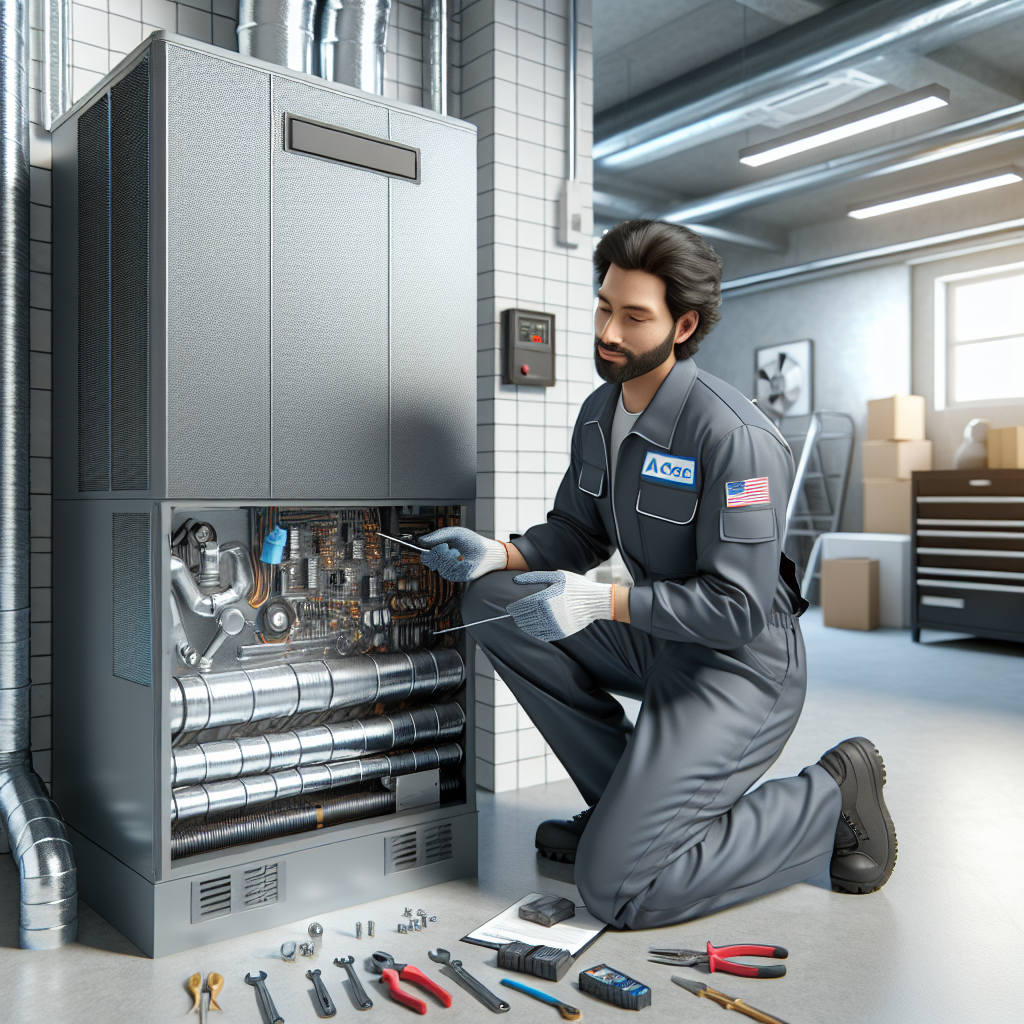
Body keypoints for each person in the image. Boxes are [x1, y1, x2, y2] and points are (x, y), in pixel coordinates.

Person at [418, 219, 896, 929]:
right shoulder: (598, 413)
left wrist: (602, 602)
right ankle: (625, 815)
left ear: (684, 326)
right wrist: (500, 554)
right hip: (657, 639)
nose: (608, 331)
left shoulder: (733, 437)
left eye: (634, 316)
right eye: (604, 306)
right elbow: (577, 531)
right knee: (489, 601)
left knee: (620, 892)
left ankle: (826, 798)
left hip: (739, 668)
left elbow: (736, 609)